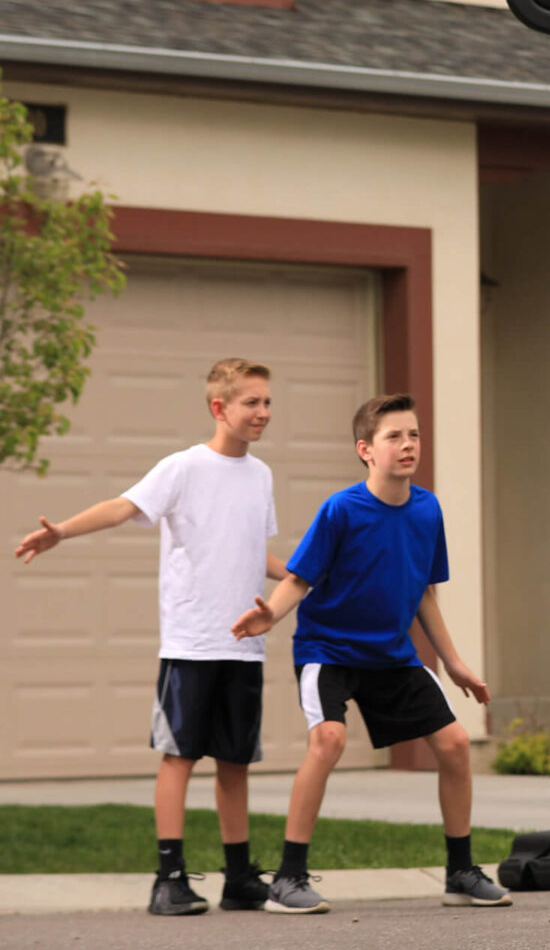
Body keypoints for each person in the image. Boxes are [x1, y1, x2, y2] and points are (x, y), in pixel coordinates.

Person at [13, 357, 287, 915]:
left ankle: (239, 878)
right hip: (191, 643)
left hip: (243, 646)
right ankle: (169, 880)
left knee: (235, 761)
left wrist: (306, 578)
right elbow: (123, 507)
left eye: (267, 402)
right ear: (220, 408)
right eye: (252, 402)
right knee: (179, 757)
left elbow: (250, 551)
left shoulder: (261, 475)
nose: (263, 412)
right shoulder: (183, 467)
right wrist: (62, 531)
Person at [231, 392, 511, 913]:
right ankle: (288, 879)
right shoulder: (341, 509)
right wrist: (271, 616)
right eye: (394, 437)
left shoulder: (427, 510)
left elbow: (424, 594)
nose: (408, 445)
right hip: (329, 650)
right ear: (366, 449)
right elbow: (300, 578)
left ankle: (460, 872)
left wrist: (454, 664)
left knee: (454, 744)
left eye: (414, 435)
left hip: (392, 656)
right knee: (329, 740)